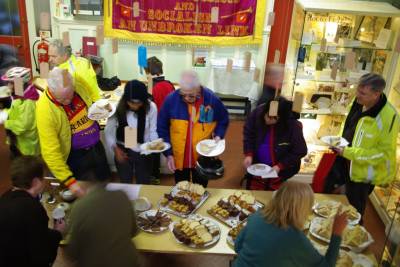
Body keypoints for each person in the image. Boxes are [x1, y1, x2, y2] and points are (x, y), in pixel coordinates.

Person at [326, 73, 399, 218]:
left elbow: (382, 154)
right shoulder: (360, 102)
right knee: (330, 202)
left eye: (362, 93)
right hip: (344, 162)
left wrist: (347, 152)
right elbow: (351, 126)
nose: (357, 96)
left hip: (361, 176)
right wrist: (339, 141)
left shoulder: (389, 117)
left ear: (376, 94)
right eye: (358, 90)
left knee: (353, 215)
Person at [233, 181, 348, 267]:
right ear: (301, 209)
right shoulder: (295, 238)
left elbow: (237, 246)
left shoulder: (256, 216)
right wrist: (336, 233)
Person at [36, 67, 110, 197]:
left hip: (96, 148)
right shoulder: (44, 110)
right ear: (51, 91)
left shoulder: (77, 83)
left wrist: (99, 108)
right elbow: (50, 152)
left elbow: (91, 100)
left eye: (70, 96)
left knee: (104, 186)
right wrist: (70, 182)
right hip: (76, 158)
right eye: (63, 99)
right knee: (87, 197)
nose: (69, 101)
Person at [157, 70, 229, 187]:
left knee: (200, 189)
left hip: (202, 155)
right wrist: (168, 154)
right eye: (183, 94)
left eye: (190, 95)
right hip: (179, 156)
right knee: (181, 190)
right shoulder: (171, 100)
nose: (186, 98)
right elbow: (162, 127)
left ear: (198, 88)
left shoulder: (211, 99)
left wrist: (219, 135)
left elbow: (223, 118)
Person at [0, 156, 65, 267]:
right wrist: (58, 232)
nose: (45, 181)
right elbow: (42, 255)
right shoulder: (32, 209)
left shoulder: (5, 197)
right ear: (35, 182)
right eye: (44, 177)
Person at [66, 176, 140, 267]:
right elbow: (134, 232)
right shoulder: (122, 195)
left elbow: (72, 253)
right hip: (129, 262)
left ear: (82, 185)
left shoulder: (78, 207)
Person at [243, 97, 307, 190]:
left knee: (273, 196)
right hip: (259, 165)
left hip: (279, 169)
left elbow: (300, 150)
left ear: (282, 119)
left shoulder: (292, 125)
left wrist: (280, 166)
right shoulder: (258, 113)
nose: (268, 120)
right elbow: (248, 132)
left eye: (273, 118)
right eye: (267, 116)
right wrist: (249, 154)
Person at [105, 80, 158, 184]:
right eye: (131, 102)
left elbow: (153, 130)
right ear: (126, 99)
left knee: (144, 182)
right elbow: (108, 131)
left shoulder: (151, 107)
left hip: (144, 150)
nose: (134, 106)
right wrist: (115, 150)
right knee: (125, 182)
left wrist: (155, 145)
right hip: (123, 150)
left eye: (139, 103)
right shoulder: (116, 107)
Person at [144, 56, 175, 184]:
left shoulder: (151, 88)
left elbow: (148, 109)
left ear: (149, 72)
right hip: (169, 122)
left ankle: (154, 176)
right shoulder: (169, 84)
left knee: (154, 150)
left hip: (156, 124)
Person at [1, 67, 40, 157]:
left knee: (28, 165)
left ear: (19, 83)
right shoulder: (19, 95)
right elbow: (15, 109)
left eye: (11, 83)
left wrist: (6, 122)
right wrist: (6, 113)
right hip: (19, 140)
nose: (8, 86)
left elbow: (23, 126)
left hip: (27, 145)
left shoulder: (27, 102)